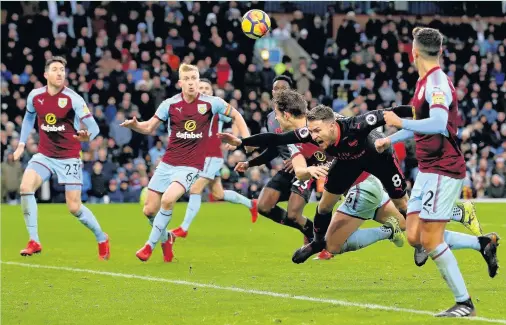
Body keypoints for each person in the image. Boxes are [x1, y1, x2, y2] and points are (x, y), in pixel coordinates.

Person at [220, 101, 483, 265]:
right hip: (348, 163)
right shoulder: (309, 134)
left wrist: (427, 114)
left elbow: (389, 114)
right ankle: (316, 243)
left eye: (317, 132)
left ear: (333, 125)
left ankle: (432, 232)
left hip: (377, 157)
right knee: (324, 206)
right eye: (310, 132)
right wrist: (243, 142)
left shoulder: (358, 124)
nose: (313, 137)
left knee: (405, 205)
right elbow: (275, 139)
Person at [375, 27, 499, 317]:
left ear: (413, 52)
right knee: (415, 236)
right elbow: (424, 124)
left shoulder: (437, 82)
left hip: (444, 168)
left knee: (430, 240)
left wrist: (399, 122)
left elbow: (439, 123)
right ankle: (482, 243)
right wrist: (389, 139)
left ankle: (464, 303)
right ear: (440, 51)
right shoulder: (424, 82)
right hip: (429, 169)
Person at [238, 89, 407, 258]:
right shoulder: (298, 139)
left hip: (361, 184)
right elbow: (297, 167)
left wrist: (417, 115)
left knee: (332, 244)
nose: (275, 118)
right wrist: (243, 147)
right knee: (406, 223)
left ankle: (388, 231)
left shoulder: (325, 123)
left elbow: (363, 128)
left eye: (277, 114)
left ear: (287, 115)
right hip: (357, 185)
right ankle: (413, 229)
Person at [120, 64, 249, 262]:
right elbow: (148, 127)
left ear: (199, 80)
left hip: (190, 165)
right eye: (187, 79)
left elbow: (236, 115)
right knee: (149, 211)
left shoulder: (211, 103)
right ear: (180, 83)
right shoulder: (169, 104)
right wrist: (135, 125)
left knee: (168, 200)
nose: (191, 83)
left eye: (194, 78)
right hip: (168, 163)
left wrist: (245, 141)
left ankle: (149, 245)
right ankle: (167, 238)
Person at [13, 56, 110, 259]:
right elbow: (29, 117)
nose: (60, 73)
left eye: (62, 70)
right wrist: (22, 144)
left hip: (69, 157)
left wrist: (86, 136)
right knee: (25, 187)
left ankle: (101, 237)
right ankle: (34, 241)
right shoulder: (35, 96)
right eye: (55, 69)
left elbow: (94, 127)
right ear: (46, 74)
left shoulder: (73, 98)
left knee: (74, 208)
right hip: (45, 155)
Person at [170, 78, 256, 238]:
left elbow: (236, 119)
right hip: (198, 155)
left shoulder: (216, 108)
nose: (203, 90)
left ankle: (184, 228)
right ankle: (252, 204)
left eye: (206, 88)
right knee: (218, 194)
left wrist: (235, 139)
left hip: (212, 155)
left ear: (211, 92)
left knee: (196, 188)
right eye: (200, 87)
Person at [234, 76, 315, 243]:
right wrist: (250, 163)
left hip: (307, 169)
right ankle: (308, 228)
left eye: (282, 89)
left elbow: (318, 144)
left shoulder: (303, 115)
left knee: (293, 214)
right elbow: (273, 149)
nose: (278, 92)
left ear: (291, 92)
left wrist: (299, 159)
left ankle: (316, 236)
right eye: (275, 89)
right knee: (263, 206)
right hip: (287, 170)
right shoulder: (272, 118)